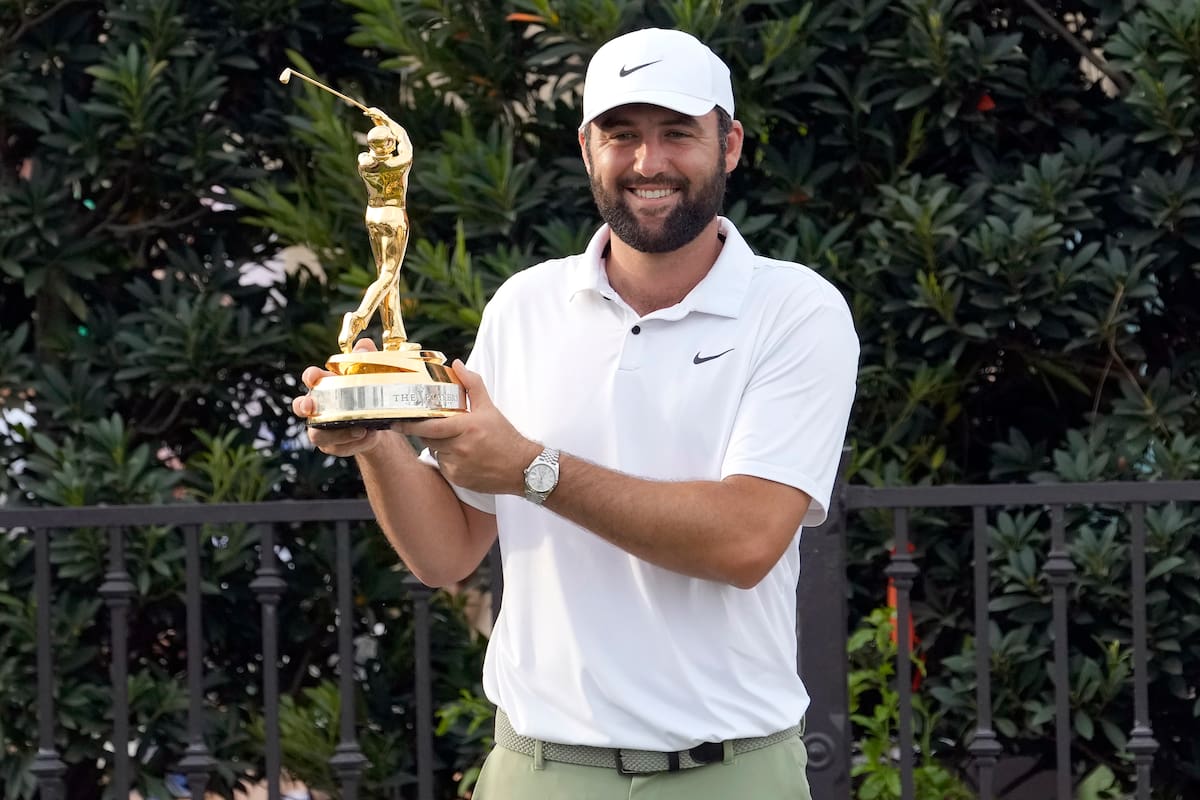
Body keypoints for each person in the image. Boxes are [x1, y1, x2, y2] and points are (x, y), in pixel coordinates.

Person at [293, 27, 858, 800]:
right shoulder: (526, 303)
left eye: (677, 135)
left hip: (729, 773)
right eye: (623, 135)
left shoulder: (796, 310)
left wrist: (532, 469)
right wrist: (373, 443)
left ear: (729, 145)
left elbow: (747, 539)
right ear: (588, 147)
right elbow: (446, 554)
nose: (649, 163)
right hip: (538, 770)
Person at [339, 106, 414, 353]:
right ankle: (359, 318)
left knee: (389, 277)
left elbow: (383, 147)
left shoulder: (364, 163)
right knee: (388, 275)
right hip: (394, 217)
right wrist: (387, 118)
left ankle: (393, 335)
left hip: (373, 216)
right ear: (390, 146)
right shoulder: (399, 163)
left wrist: (380, 125)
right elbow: (405, 139)